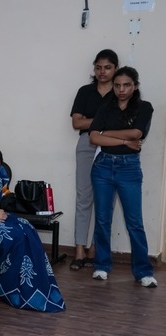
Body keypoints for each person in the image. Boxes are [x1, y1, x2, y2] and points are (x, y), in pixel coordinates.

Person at [0, 141, 65, 312]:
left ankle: (38, 290)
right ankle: (15, 291)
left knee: (27, 228)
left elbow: (0, 198)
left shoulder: (0, 175)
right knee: (11, 236)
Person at [89, 66, 156, 288]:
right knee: (102, 220)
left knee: (134, 222)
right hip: (103, 166)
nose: (121, 90)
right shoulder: (105, 107)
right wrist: (125, 141)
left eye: (126, 85)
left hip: (129, 168)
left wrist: (106, 134)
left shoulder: (144, 107)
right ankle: (101, 265)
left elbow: (137, 133)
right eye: (117, 85)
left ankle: (143, 271)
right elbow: (94, 138)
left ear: (135, 86)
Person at [69, 49, 118, 270]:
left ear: (115, 68)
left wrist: (92, 120)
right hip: (87, 144)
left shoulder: (120, 91)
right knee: (83, 198)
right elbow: (77, 123)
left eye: (107, 67)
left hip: (112, 145)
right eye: (98, 67)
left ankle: (95, 249)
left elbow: (122, 123)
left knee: (106, 201)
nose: (102, 72)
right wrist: (103, 119)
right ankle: (79, 249)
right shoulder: (85, 92)